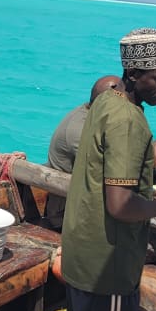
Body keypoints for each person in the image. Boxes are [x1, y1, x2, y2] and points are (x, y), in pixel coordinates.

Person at [53, 28, 156, 311]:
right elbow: (121, 205)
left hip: (80, 251)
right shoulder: (129, 121)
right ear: (134, 74)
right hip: (108, 266)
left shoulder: (107, 99)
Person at [44, 74, 123, 229]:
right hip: (67, 214)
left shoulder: (91, 112)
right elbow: (109, 173)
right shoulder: (80, 131)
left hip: (85, 204)